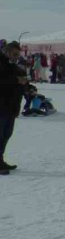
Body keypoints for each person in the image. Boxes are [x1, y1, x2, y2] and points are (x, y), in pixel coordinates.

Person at [0, 41, 27, 173]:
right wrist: (16, 80)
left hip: (11, 106)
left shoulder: (13, 65)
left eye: (18, 54)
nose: (16, 57)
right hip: (2, 105)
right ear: (7, 51)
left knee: (6, 134)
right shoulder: (1, 64)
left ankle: (0, 160)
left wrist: (27, 86)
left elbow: (20, 79)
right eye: (14, 54)